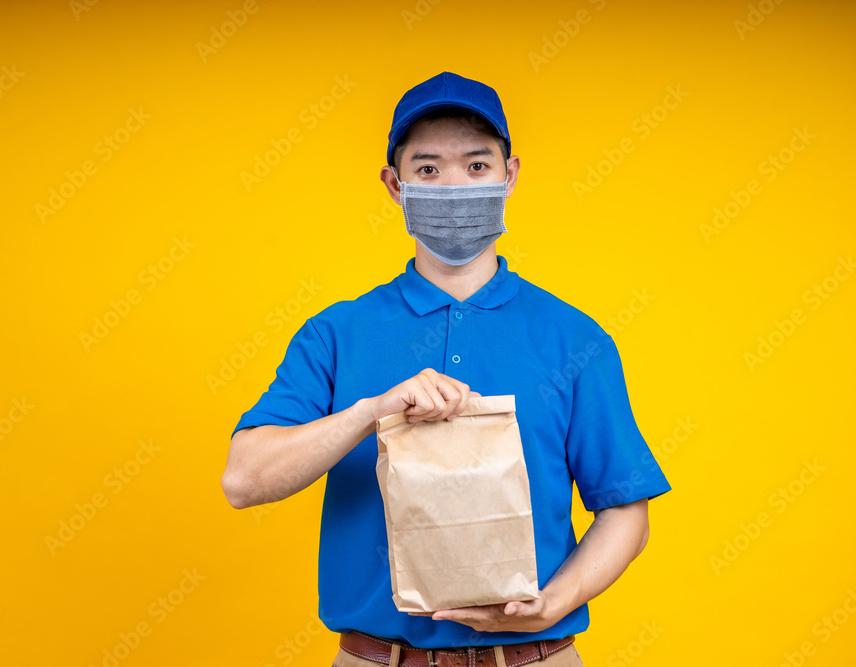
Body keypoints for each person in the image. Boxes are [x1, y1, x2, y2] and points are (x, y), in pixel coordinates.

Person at [222, 71, 672, 666]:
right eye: (429, 169)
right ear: (394, 184)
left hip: (535, 655)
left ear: (510, 175)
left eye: (477, 166)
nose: (454, 184)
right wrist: (371, 412)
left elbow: (624, 506)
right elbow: (244, 480)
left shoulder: (574, 337)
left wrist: (558, 599)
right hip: (376, 657)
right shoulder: (338, 332)